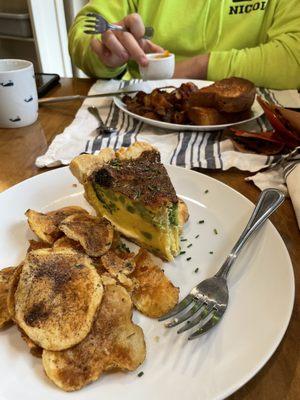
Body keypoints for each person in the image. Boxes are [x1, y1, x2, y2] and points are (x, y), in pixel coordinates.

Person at [69, 0, 300, 89]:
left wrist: (199, 66)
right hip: (139, 115)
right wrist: (105, 54)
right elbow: (85, 26)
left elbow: (293, 59)